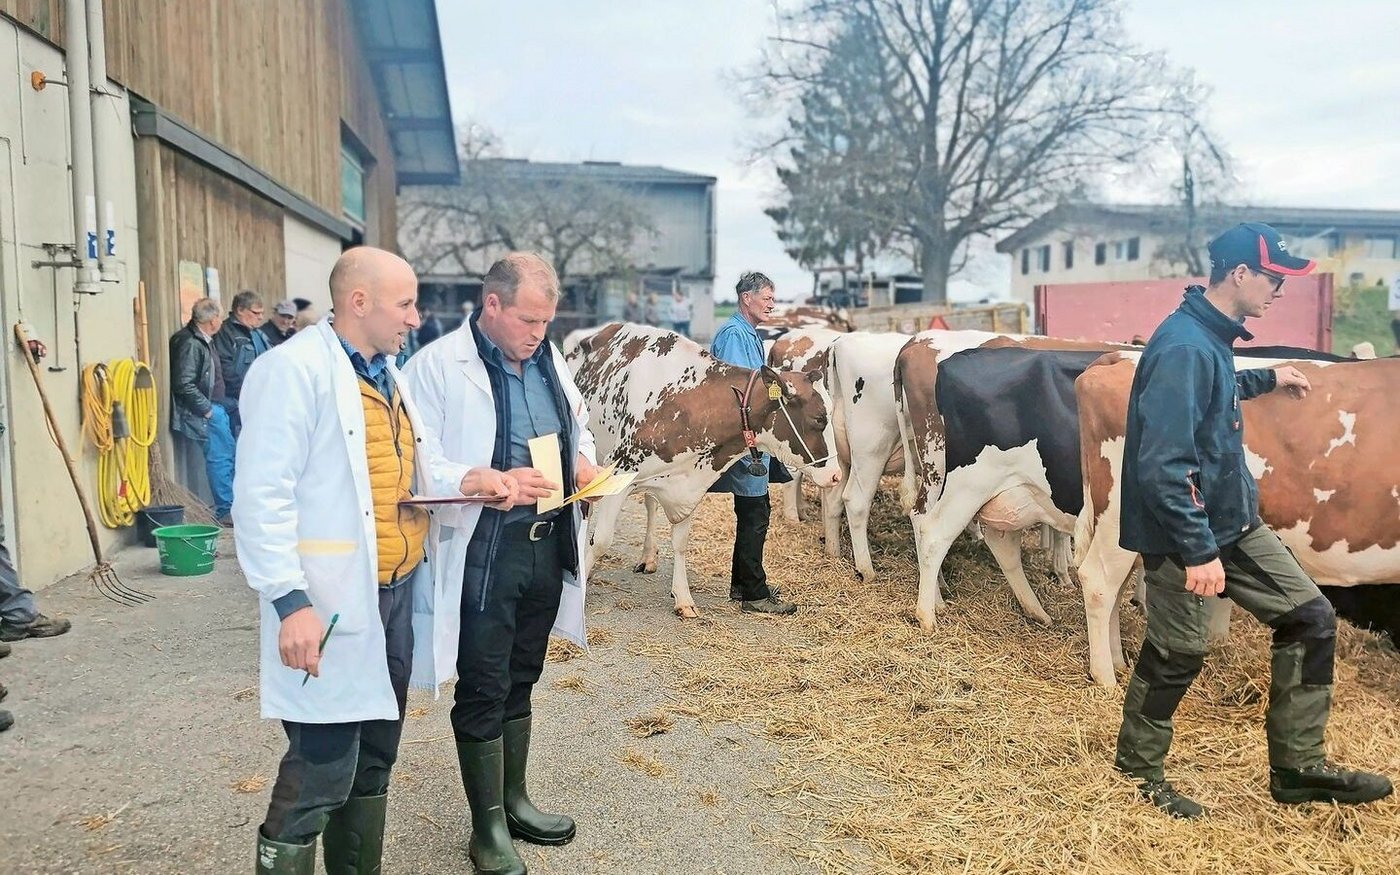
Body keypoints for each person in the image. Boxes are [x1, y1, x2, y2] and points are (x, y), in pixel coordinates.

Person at [234, 247, 516, 873]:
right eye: (406, 303)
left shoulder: (391, 377)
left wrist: (475, 479)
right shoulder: (293, 372)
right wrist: (290, 600)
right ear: (358, 301)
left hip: (393, 595)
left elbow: (417, 468)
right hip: (329, 603)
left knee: (375, 758)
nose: (417, 318)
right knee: (321, 767)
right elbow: (260, 496)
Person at [1114, 222, 1393, 819]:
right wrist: (1197, 552)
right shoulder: (1185, 345)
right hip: (1185, 530)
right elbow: (1163, 466)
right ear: (1240, 273)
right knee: (1179, 650)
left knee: (1311, 618)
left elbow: (1208, 394)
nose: (1279, 291)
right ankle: (1137, 770)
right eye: (1272, 278)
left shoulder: (1206, 338)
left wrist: (1267, 378)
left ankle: (1297, 767)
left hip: (1232, 519)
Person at [403, 251, 598, 875]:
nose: (539, 334)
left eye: (546, 323)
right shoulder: (435, 367)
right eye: (529, 321)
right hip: (485, 547)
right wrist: (474, 477)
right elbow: (414, 458)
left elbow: (578, 425)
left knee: (523, 673)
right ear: (492, 305)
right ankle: (485, 827)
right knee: (484, 684)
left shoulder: (549, 360)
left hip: (546, 541)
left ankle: (515, 800)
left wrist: (585, 461)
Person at [709, 272, 796, 616]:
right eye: (768, 298)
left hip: (753, 432)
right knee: (755, 511)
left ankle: (743, 584)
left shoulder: (747, 333)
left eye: (773, 299)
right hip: (745, 435)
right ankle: (754, 594)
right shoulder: (734, 334)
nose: (772, 304)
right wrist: (773, 398)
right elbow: (741, 391)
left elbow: (760, 381)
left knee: (752, 510)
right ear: (748, 298)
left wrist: (779, 394)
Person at [169, 297, 236, 524]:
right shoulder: (191, 343)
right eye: (219, 316)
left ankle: (228, 506)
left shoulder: (203, 339)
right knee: (220, 459)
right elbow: (183, 383)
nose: (221, 321)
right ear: (212, 320)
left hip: (217, 406)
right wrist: (207, 410)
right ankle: (225, 510)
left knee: (226, 456)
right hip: (206, 411)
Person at [213, 289, 271, 434]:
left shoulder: (259, 334)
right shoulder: (225, 332)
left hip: (260, 400)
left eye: (262, 313)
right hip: (235, 401)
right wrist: (245, 393)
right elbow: (224, 367)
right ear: (240, 310)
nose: (260, 318)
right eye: (256, 313)